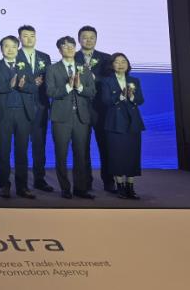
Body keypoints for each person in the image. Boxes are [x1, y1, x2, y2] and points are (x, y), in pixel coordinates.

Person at [0, 36, 37, 199]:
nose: (10, 49)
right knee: (4, 151)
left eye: (13, 46)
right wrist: (9, 85)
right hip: (4, 114)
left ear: (18, 48)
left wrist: (23, 86)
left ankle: (22, 186)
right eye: (6, 46)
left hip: (23, 113)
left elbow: (33, 88)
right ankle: (4, 185)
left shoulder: (25, 66)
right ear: (1, 49)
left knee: (22, 151)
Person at [47, 36, 96, 199]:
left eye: (72, 46)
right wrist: (68, 87)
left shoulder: (84, 68)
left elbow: (92, 91)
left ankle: (80, 188)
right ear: (59, 50)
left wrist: (80, 87)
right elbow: (50, 92)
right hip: (61, 118)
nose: (69, 48)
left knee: (81, 155)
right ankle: (65, 188)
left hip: (81, 117)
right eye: (65, 46)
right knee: (61, 155)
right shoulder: (52, 69)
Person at [101, 53, 145, 199]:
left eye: (123, 61)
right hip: (115, 122)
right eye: (117, 62)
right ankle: (119, 186)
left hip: (133, 122)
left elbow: (140, 100)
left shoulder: (134, 80)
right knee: (116, 155)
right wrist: (119, 97)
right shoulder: (106, 81)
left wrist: (132, 97)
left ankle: (130, 187)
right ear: (112, 65)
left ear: (128, 64)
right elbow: (105, 100)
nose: (121, 64)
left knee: (132, 154)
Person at [75, 25, 113, 193]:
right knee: (83, 148)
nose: (88, 40)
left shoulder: (106, 58)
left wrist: (93, 79)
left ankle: (109, 181)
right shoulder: (73, 56)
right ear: (79, 39)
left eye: (92, 37)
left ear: (96, 39)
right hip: (80, 108)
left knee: (105, 146)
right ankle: (86, 182)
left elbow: (111, 81)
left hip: (101, 109)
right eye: (85, 37)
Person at [16, 25, 54, 192]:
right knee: (21, 146)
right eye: (25, 36)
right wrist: (32, 84)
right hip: (21, 106)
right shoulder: (14, 55)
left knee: (39, 146)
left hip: (40, 106)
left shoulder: (45, 57)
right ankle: (21, 183)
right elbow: (15, 81)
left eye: (32, 35)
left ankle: (40, 179)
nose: (29, 39)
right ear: (19, 38)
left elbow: (49, 81)